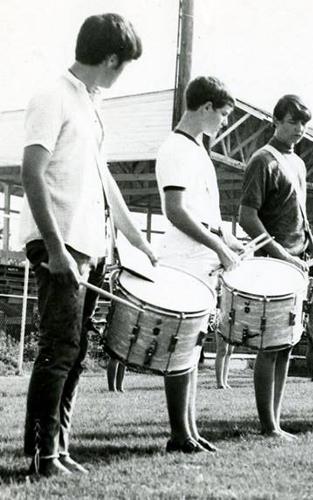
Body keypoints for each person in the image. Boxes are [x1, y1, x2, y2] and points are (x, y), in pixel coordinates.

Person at [19, 13, 154, 477]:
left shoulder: (89, 105)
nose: (123, 75)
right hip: (61, 244)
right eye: (125, 64)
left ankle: (59, 447)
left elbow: (103, 180)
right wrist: (55, 249)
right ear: (111, 58)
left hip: (89, 246)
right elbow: (30, 173)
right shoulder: (52, 96)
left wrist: (137, 240)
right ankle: (43, 455)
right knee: (59, 348)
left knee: (75, 352)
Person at [156, 76, 242, 454]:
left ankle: (188, 431)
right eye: (222, 113)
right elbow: (174, 211)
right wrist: (217, 246)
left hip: (201, 255)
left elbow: (205, 213)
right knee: (183, 347)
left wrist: (228, 240)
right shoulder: (176, 148)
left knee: (194, 347)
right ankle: (179, 434)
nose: (224, 121)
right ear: (205, 107)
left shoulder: (197, 149)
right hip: (184, 256)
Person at [238, 94, 313, 439]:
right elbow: (247, 216)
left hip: (297, 262)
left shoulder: (299, 163)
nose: (299, 129)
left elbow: (298, 213)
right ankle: (267, 425)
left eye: (304, 123)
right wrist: (279, 253)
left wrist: (310, 244)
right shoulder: (263, 159)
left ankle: (275, 420)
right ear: (276, 121)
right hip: (274, 263)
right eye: (293, 122)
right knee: (270, 343)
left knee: (287, 343)